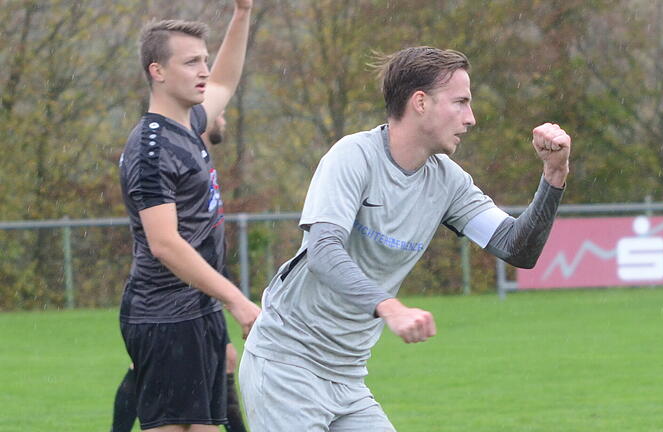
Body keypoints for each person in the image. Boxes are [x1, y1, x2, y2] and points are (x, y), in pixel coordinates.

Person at [239, 46, 571, 431]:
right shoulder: (353, 156)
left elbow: (518, 248)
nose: (471, 118)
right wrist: (390, 308)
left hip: (347, 378)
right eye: (460, 103)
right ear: (420, 103)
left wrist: (554, 174)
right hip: (286, 366)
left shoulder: (447, 180)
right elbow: (323, 252)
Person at [117, 0, 260, 430]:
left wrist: (242, 14)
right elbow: (164, 243)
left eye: (204, 60)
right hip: (164, 317)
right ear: (157, 71)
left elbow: (226, 80)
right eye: (191, 62)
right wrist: (236, 299)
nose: (203, 70)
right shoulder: (151, 149)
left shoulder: (189, 121)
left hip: (198, 311)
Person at [110, 114, 247, 432]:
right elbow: (165, 244)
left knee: (222, 369)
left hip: (200, 302)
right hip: (167, 306)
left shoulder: (190, 149)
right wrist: (236, 300)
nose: (221, 116)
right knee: (175, 415)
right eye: (219, 114)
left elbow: (221, 86)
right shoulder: (159, 149)